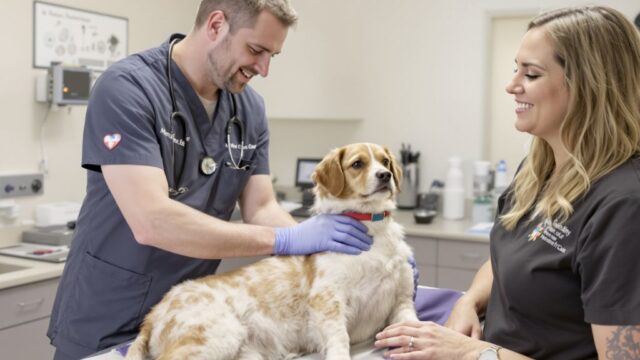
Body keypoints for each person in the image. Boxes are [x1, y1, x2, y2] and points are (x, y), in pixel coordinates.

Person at [47, 1, 375, 359]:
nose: (263, 69)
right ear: (217, 25)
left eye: (272, 56)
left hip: (194, 316)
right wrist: (287, 239)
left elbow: (262, 206)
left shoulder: (249, 109)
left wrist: (344, 254)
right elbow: (151, 221)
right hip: (108, 316)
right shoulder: (127, 89)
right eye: (256, 50)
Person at [375, 5, 640, 360]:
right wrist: (469, 300)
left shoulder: (623, 205)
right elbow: (511, 255)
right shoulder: (537, 171)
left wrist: (475, 353)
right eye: (516, 69)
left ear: (588, 85)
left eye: (530, 74)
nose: (511, 85)